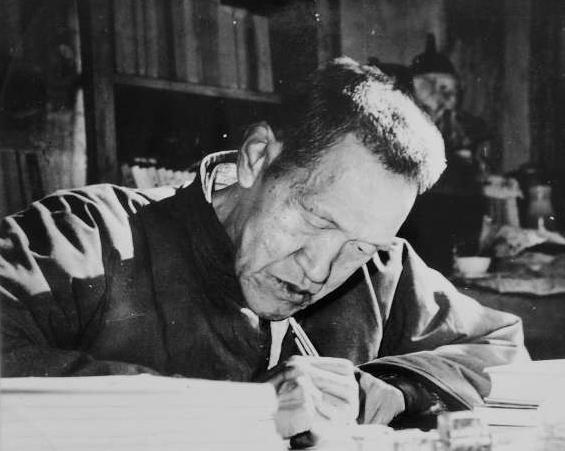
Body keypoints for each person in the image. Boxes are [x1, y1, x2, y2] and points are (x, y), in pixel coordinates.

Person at [0, 58, 526, 429]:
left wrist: (386, 389)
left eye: (360, 246)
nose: (319, 271)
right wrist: (236, 411)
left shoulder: (382, 269)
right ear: (256, 157)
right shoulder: (88, 235)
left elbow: (503, 348)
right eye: (315, 219)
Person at [399, 35, 491, 273]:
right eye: (435, 88)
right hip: (419, 213)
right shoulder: (407, 125)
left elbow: (481, 166)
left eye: (449, 89)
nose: (446, 97)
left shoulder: (470, 126)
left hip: (463, 209)